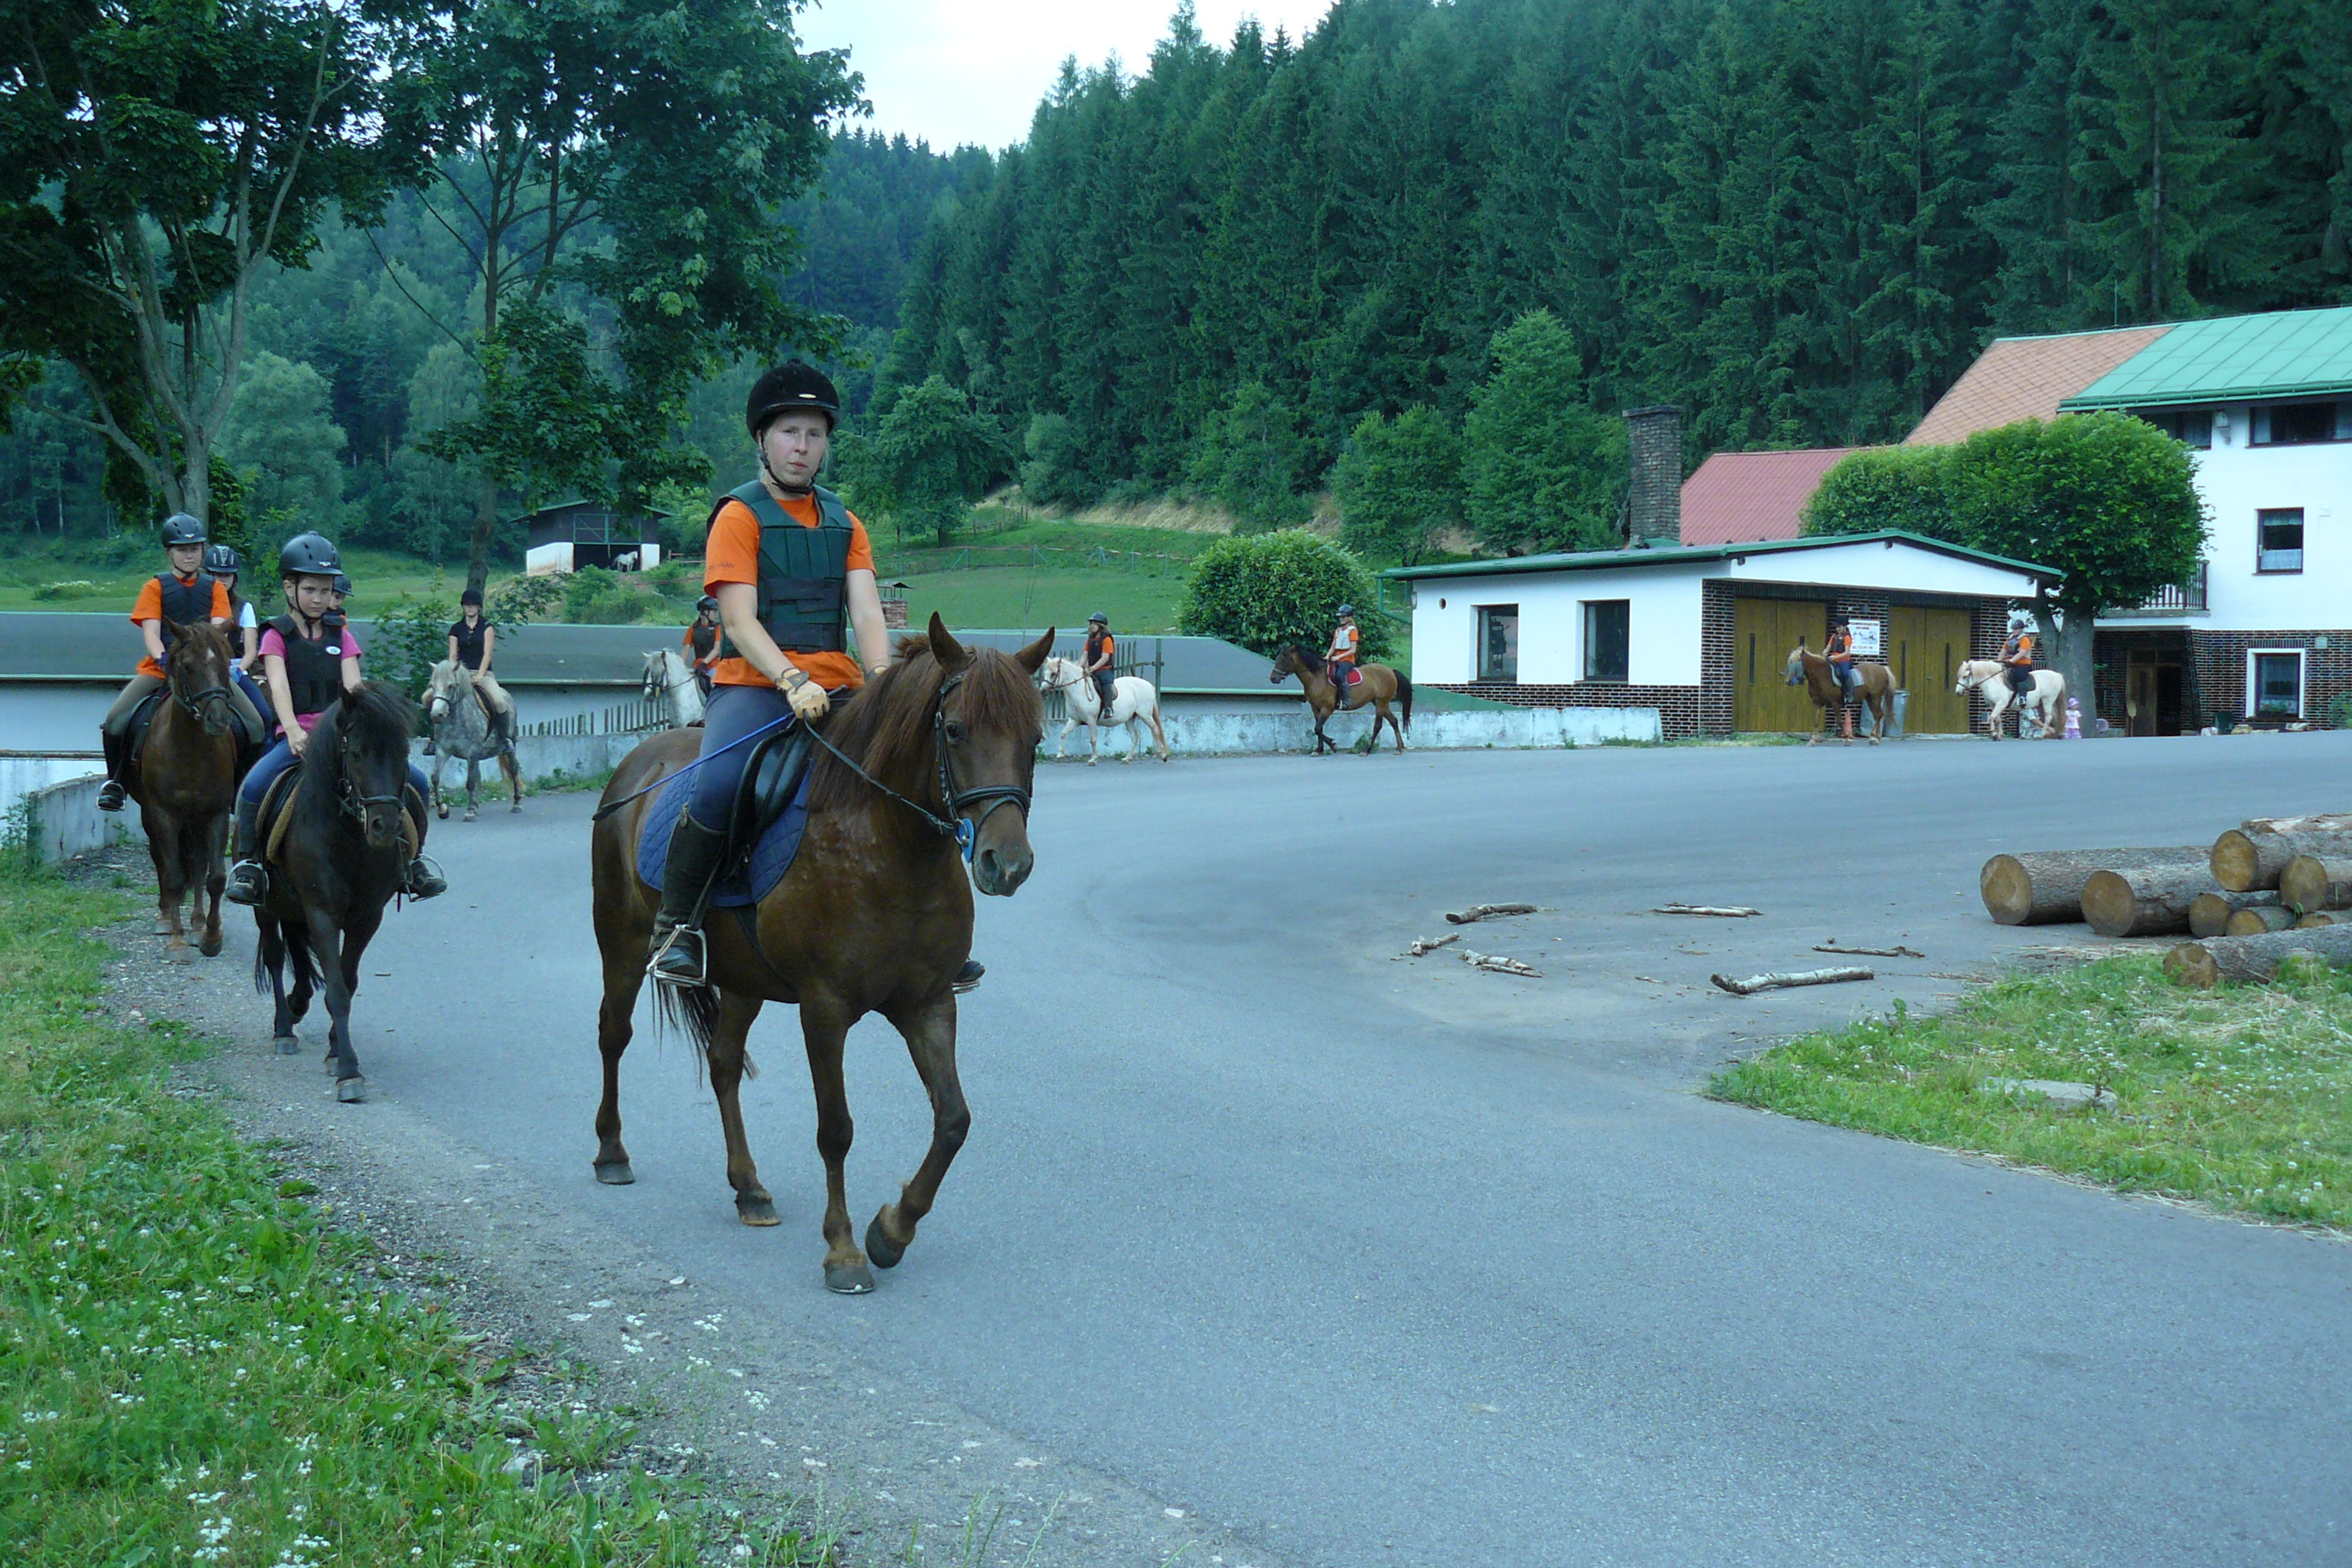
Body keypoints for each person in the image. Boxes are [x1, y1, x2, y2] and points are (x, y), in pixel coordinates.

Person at [645, 360, 893, 985]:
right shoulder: (738, 516)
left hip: (840, 684)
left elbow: (865, 613)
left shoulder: (846, 522)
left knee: (911, 771)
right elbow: (740, 619)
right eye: (789, 432)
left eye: (814, 434)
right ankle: (678, 925)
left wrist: (886, 681)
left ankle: (923, 932)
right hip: (756, 685)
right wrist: (790, 679)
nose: (801, 447)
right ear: (763, 438)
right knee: (721, 782)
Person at [223, 534, 445, 906]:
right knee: (254, 786)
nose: (319, 598)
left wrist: (363, 728)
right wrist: (291, 729)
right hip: (299, 738)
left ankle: (414, 862)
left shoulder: (341, 634)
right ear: (289, 587)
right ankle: (250, 865)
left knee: (417, 782)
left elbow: (354, 690)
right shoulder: (276, 635)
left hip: (343, 738)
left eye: (326, 590)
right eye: (310, 589)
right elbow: (278, 686)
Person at [96, 514, 268, 812]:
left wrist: (204, 655)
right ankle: (117, 783)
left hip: (205, 671)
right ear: (169, 553)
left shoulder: (214, 588)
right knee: (115, 721)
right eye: (182, 549)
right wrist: (165, 659)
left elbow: (217, 628)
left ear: (202, 551)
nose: (189, 555)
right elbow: (151, 631)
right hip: (161, 668)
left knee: (255, 724)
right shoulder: (155, 588)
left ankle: (238, 786)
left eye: (195, 549)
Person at [445, 586, 514, 741]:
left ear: (479, 607)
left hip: (483, 673)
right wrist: (452, 673)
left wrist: (480, 675)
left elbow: (487, 653)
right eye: (467, 604)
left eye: (473, 604)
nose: (470, 607)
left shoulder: (487, 626)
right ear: (463, 606)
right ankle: (434, 739)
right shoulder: (456, 629)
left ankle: (504, 739)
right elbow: (453, 655)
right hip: (461, 673)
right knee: (435, 697)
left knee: (498, 701)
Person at [684, 594, 723, 701]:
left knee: (715, 686)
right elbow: (686, 649)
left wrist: (704, 663)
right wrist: (680, 666)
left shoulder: (718, 628)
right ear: (705, 612)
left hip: (713, 666)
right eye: (714, 611)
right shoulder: (693, 629)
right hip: (697, 667)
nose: (716, 614)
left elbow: (717, 649)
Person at [1081, 612, 1117, 717]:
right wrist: (1079, 668)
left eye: (1094, 623)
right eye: (1091, 623)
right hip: (1091, 669)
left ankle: (1109, 708)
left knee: (1105, 683)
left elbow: (1105, 658)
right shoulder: (1090, 640)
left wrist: (1092, 669)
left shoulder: (1107, 639)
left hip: (1104, 669)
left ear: (1100, 626)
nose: (1091, 626)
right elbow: (1085, 655)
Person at [1327, 605, 1361, 708]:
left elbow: (1353, 650)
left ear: (1350, 617)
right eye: (1341, 617)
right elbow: (1333, 645)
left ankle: (1346, 700)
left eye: (1344, 617)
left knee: (1339, 675)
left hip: (1347, 660)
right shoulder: (1338, 630)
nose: (1342, 619)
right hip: (1337, 658)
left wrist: (1339, 657)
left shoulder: (1352, 630)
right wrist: (1327, 656)